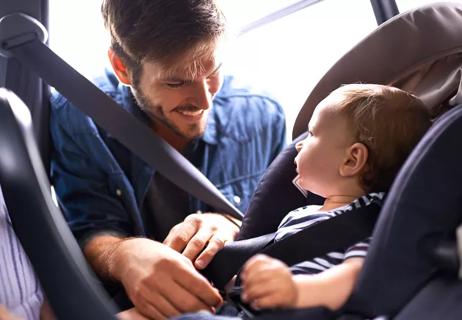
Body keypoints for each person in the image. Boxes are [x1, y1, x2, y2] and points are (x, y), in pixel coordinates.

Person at [49, 0, 286, 318]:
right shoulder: (79, 118)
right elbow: (89, 226)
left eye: (212, 70)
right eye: (176, 82)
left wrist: (233, 224)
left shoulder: (263, 115)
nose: (204, 99)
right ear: (123, 68)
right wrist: (124, 255)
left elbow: (291, 221)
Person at [176, 83, 431, 320]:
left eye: (311, 134)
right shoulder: (302, 214)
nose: (298, 146)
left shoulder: (370, 223)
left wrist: (297, 290)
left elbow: (355, 277)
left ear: (351, 160)